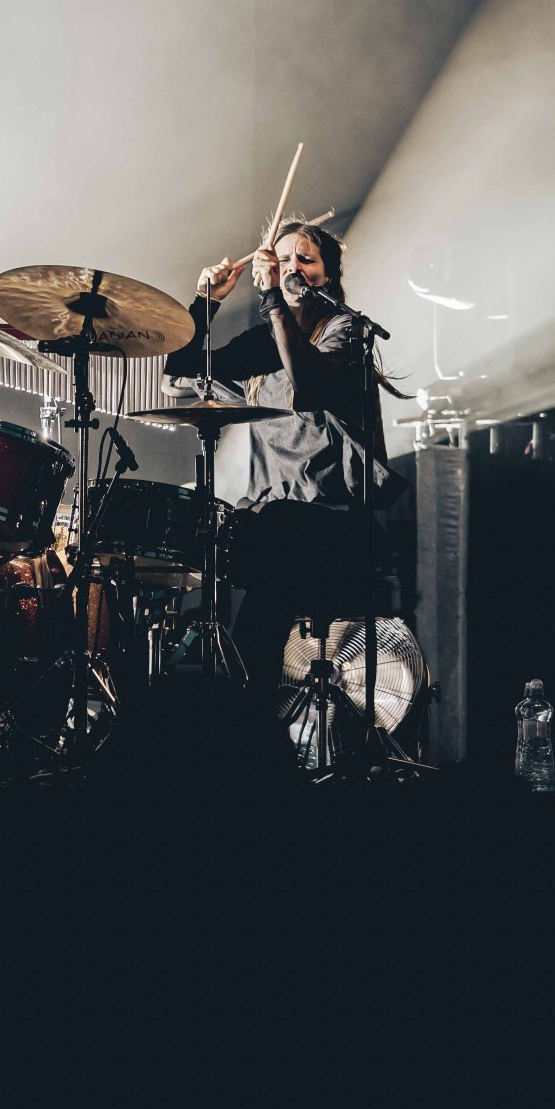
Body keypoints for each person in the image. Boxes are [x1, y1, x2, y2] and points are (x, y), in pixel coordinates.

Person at [163, 219, 409, 754]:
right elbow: (177, 374)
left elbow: (310, 385)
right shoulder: (261, 344)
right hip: (275, 523)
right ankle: (249, 737)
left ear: (329, 276)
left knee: (259, 612)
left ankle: (251, 744)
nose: (293, 268)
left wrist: (274, 298)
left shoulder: (344, 332)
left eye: (306, 259)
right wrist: (205, 302)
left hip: (332, 523)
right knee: (240, 545)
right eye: (283, 260)